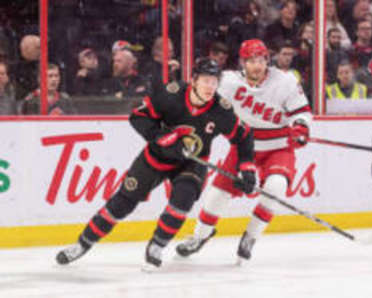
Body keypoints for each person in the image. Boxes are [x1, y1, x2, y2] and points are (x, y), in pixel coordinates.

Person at [55, 58, 256, 269]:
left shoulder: (221, 110)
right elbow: (138, 116)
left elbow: (244, 137)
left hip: (191, 163)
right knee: (122, 202)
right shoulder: (171, 94)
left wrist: (246, 169)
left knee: (183, 200)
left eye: (215, 82)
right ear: (194, 80)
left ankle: (157, 245)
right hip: (156, 157)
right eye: (206, 80)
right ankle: (82, 243)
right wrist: (161, 137)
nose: (210, 87)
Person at [176, 39, 312, 263]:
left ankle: (251, 236)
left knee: (275, 187)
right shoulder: (228, 82)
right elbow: (203, 103)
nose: (257, 66)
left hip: (278, 147)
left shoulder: (285, 81)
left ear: (267, 60)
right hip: (244, 146)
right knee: (216, 196)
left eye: (261, 60)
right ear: (243, 63)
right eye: (251, 61)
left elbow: (303, 111)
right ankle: (199, 236)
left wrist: (300, 127)